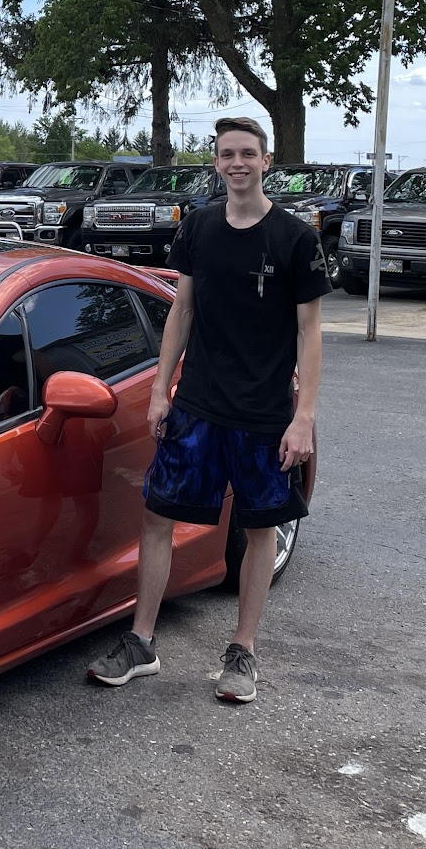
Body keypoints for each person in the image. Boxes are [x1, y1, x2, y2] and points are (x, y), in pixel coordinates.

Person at [86, 116, 327, 702]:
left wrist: (303, 417)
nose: (237, 163)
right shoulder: (198, 227)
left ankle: (242, 652)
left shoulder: (296, 238)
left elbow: (310, 331)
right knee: (157, 516)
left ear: (266, 161)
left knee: (259, 528)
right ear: (216, 163)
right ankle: (141, 642)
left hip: (264, 413)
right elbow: (183, 310)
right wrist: (159, 388)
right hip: (196, 405)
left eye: (247, 153)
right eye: (226, 154)